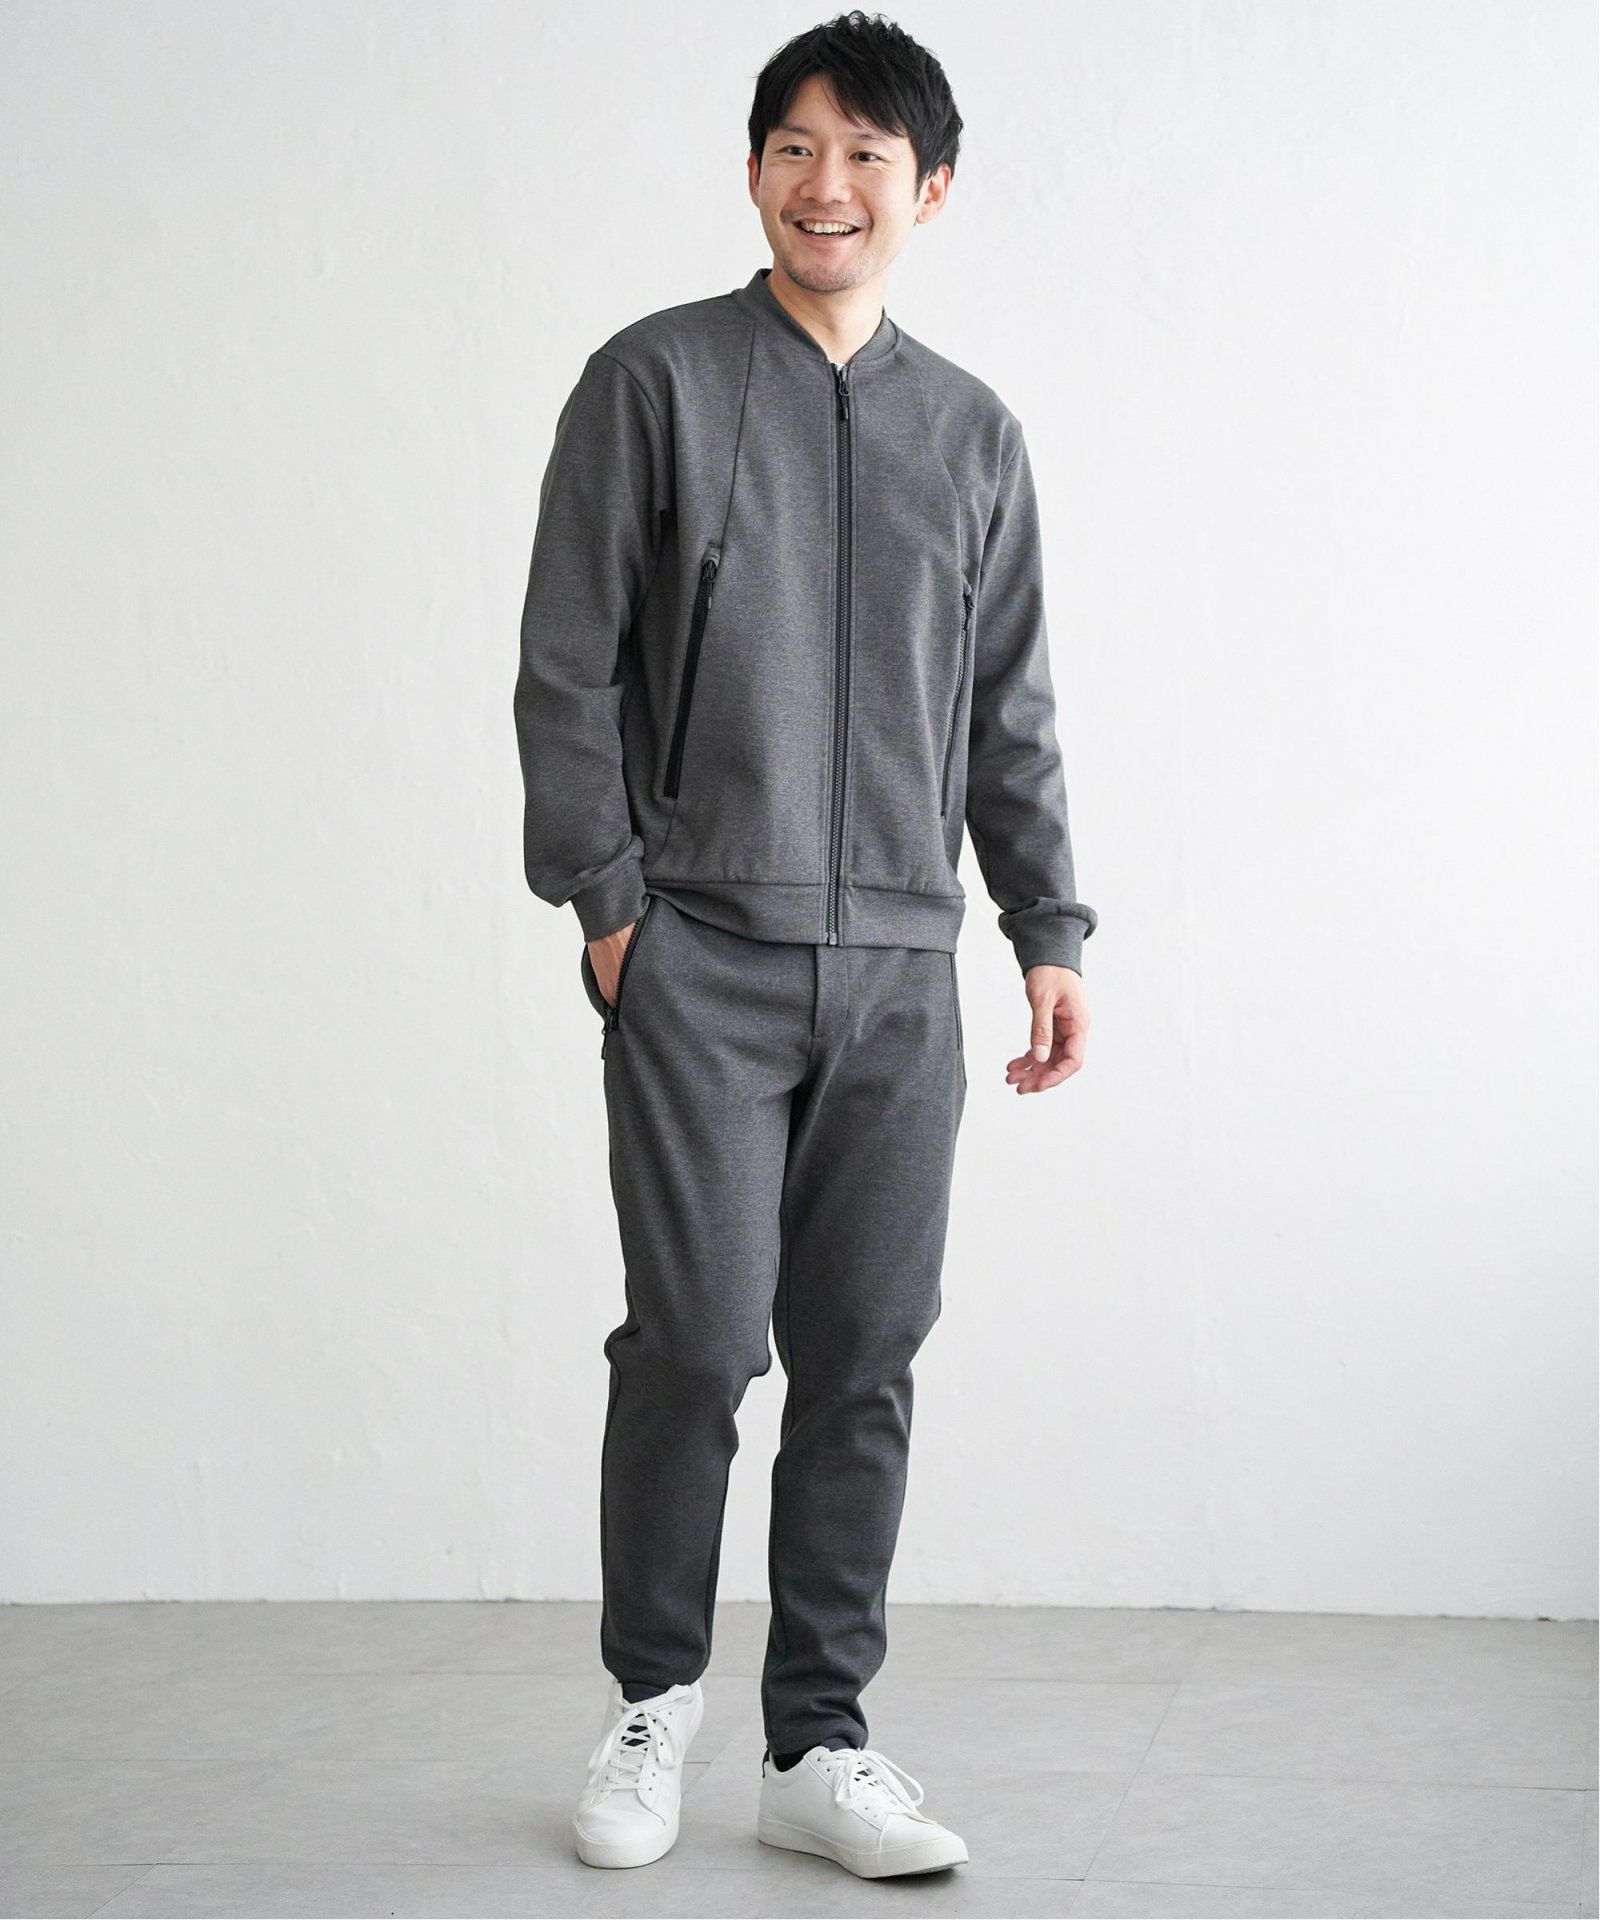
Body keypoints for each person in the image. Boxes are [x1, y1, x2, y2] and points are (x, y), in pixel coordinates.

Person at [514, 7, 1096, 1882]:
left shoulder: (973, 434)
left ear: (932, 189)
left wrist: (1047, 927)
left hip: (905, 971)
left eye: (863, 154)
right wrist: (613, 909)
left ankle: (818, 1745)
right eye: (792, 147)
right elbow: (565, 667)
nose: (823, 184)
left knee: (864, 1356)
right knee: (694, 1344)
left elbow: (1009, 711)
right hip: (701, 954)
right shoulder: (655, 383)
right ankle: (653, 1705)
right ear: (753, 169)